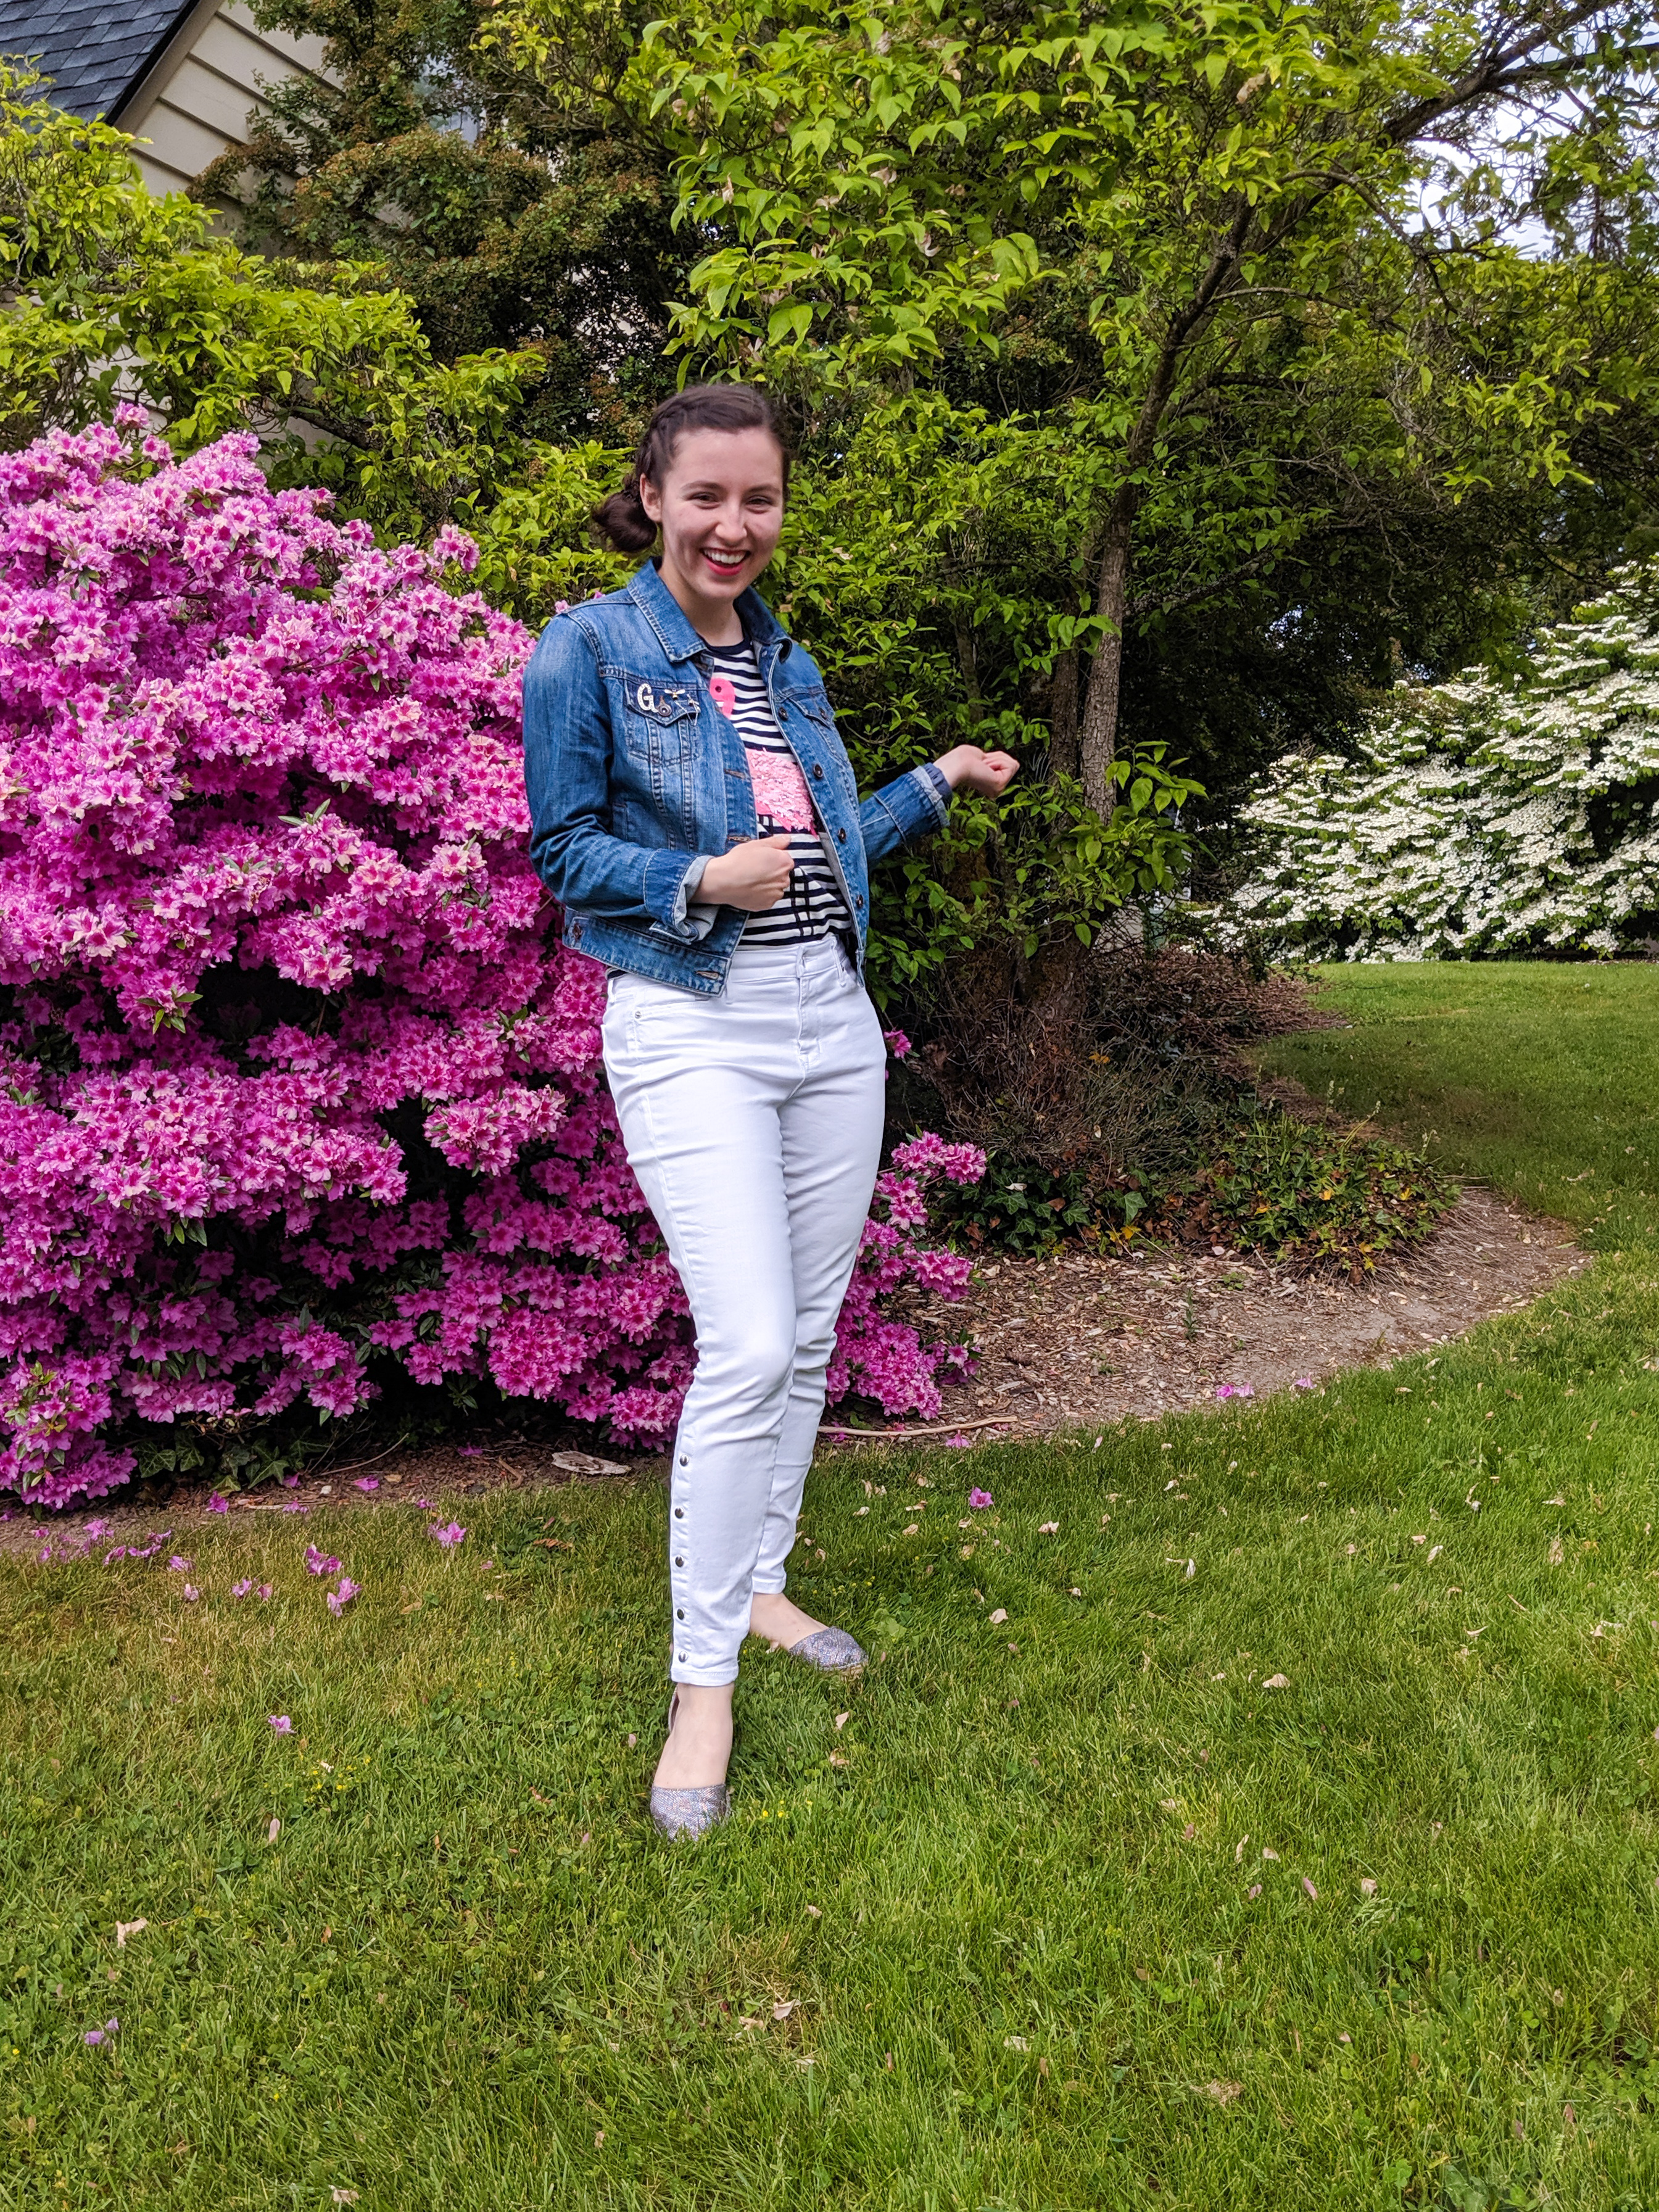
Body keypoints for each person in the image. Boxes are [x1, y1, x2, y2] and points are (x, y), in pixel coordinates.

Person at [521, 383, 1017, 1837]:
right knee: (744, 1341)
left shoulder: (785, 661)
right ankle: (701, 1682)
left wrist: (936, 779)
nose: (733, 525)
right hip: (693, 1018)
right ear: (653, 496)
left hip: (829, 1020)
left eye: (760, 499)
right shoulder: (588, 648)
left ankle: (760, 1586)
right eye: (707, 497)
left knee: (803, 1335)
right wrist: (692, 879)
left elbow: (823, 847)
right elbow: (561, 850)